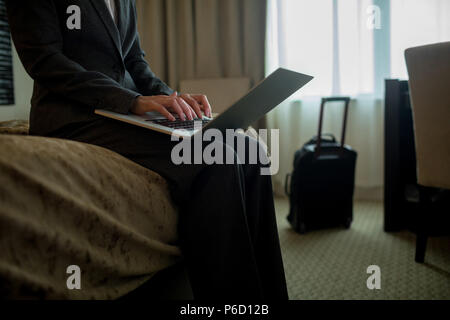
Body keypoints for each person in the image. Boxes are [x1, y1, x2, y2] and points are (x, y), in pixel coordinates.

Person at [6, 0, 288, 300]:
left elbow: (134, 61)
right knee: (213, 155)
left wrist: (174, 100)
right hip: (73, 117)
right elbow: (45, 61)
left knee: (249, 149)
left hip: (126, 112)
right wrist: (130, 101)